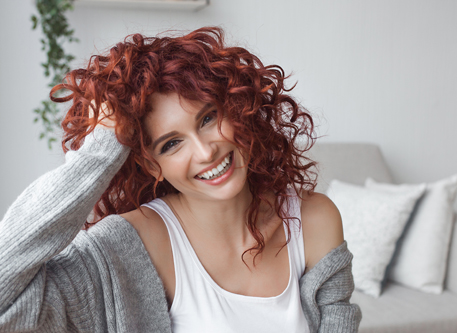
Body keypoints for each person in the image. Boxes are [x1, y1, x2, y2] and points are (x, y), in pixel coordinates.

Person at [0, 27, 361, 332]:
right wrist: (100, 150)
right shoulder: (130, 244)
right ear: (152, 165)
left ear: (238, 111)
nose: (205, 153)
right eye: (172, 143)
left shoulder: (315, 220)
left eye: (207, 118)